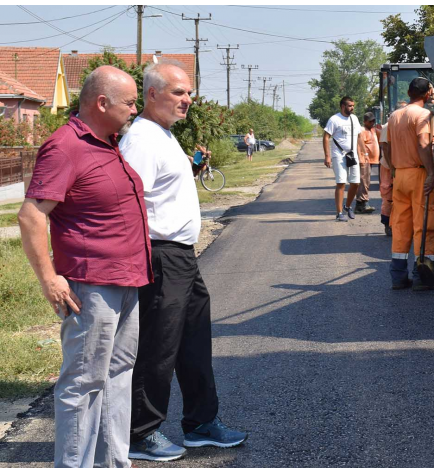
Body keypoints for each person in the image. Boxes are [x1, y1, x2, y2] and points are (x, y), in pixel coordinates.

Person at [18, 66, 148, 468]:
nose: (135, 108)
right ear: (102, 102)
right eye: (129, 101)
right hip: (91, 286)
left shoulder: (107, 142)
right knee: (83, 383)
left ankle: (112, 464)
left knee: (116, 377)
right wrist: (49, 279)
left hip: (126, 281)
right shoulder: (65, 146)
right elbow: (31, 215)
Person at [121, 61, 247, 463]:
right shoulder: (141, 139)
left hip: (182, 257)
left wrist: (192, 169)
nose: (188, 100)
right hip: (159, 256)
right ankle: (140, 434)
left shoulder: (163, 135)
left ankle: (200, 424)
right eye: (178, 92)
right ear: (152, 94)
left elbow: (162, 192)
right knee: (158, 346)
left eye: (189, 93)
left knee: (193, 343)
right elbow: (129, 205)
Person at [383, 77, 434, 291]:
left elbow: (386, 146)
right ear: (427, 93)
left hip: (400, 175)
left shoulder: (394, 115)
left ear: (409, 93)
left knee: (400, 225)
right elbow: (423, 143)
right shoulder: (423, 114)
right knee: (424, 225)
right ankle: (423, 277)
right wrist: (431, 172)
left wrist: (393, 170)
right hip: (418, 175)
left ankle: (398, 278)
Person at [323, 96, 362, 222]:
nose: (352, 108)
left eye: (353, 105)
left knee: (355, 183)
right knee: (341, 183)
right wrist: (327, 156)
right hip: (338, 155)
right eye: (350, 106)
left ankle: (348, 206)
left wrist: (363, 154)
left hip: (352, 154)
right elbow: (326, 137)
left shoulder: (354, 119)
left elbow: (359, 136)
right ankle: (339, 213)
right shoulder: (334, 120)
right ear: (343, 106)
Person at [355, 111, 379, 214]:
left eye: (373, 121)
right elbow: (360, 146)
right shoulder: (362, 130)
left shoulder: (372, 130)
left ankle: (360, 204)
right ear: (365, 121)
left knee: (366, 181)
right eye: (370, 121)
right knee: (364, 182)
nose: (372, 123)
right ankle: (363, 203)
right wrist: (362, 159)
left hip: (371, 160)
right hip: (365, 160)